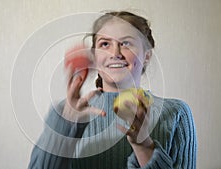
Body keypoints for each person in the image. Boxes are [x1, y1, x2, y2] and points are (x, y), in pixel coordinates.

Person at [28, 11, 197, 169]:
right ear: (94, 56)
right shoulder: (64, 113)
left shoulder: (177, 113)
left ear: (147, 56)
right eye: (105, 44)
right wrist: (66, 125)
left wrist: (143, 145)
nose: (115, 53)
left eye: (126, 43)